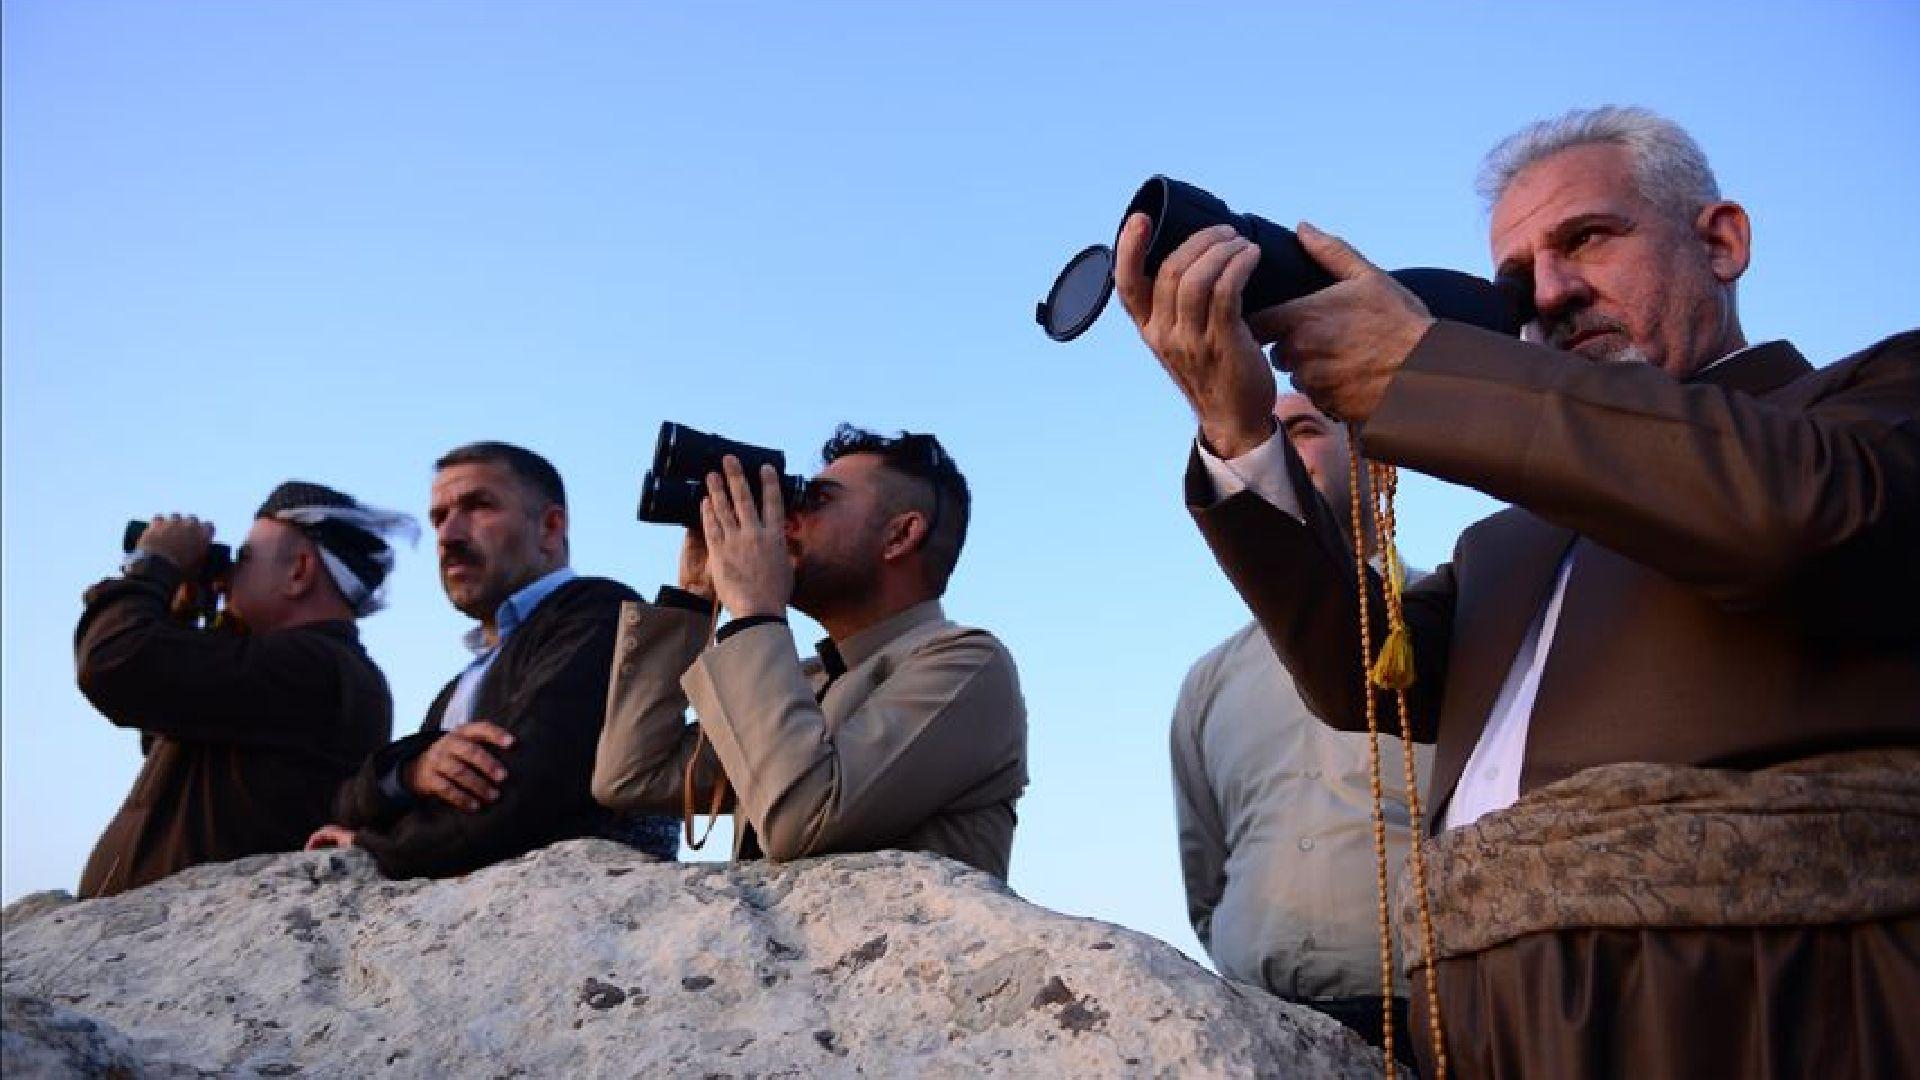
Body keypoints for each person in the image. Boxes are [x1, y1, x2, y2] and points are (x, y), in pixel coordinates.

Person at [1119, 105, 1919, 1078]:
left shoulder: (1872, 400)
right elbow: (1361, 676)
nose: (1548, 294)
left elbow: (1795, 517)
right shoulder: (1506, 544)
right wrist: (1240, 431)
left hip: (1770, 1011)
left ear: (1722, 241)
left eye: (1586, 238)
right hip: (1488, 1033)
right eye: (1514, 278)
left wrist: (1424, 370)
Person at [592, 425, 1027, 880]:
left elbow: (803, 818)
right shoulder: (804, 682)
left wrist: (754, 611)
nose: (785, 519)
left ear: (900, 536)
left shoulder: (969, 664)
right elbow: (633, 777)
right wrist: (694, 600)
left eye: (815, 500)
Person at [1170, 392, 1433, 1060]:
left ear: (1374, 460)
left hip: (1430, 1030)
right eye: (1264, 433)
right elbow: (1207, 878)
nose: (1276, 452)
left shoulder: (1456, 628)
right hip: (1253, 1031)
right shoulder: (1210, 681)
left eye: (1304, 431)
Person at [312, 442, 678, 875]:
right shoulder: (457, 687)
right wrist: (410, 772)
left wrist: (378, 850)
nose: (449, 535)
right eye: (439, 518)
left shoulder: (601, 613)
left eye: (478, 506)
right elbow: (347, 804)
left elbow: (518, 792)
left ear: (550, 526)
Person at [75, 482, 410, 897]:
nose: (227, 577)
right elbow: (162, 724)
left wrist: (152, 566)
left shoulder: (315, 667)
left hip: (196, 943)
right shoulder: (305, 667)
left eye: (245, 559)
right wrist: (184, 619)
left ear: (299, 572)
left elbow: (116, 663)